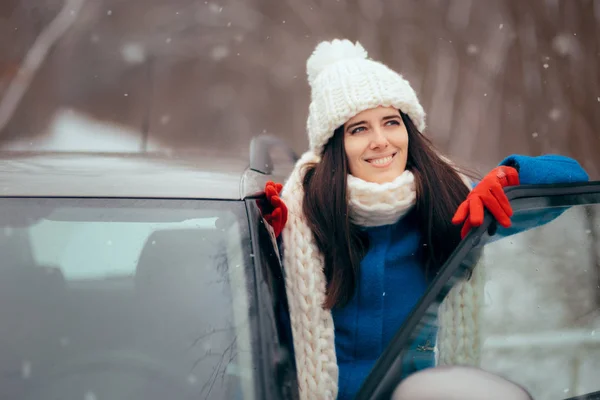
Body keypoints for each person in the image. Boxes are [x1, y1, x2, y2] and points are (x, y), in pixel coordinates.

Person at [259, 39, 589, 400]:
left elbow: (573, 180)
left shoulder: (449, 201)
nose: (381, 141)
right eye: (359, 129)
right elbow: (262, 335)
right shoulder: (302, 220)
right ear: (335, 146)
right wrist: (273, 246)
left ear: (409, 130)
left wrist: (513, 178)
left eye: (391, 122)